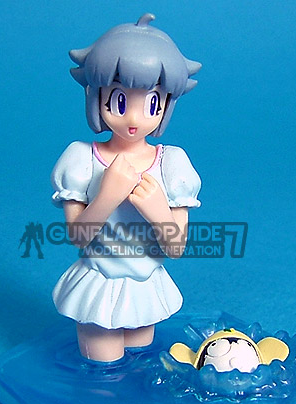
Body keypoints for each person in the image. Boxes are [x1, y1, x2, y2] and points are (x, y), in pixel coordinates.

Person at [51, 13, 202, 362]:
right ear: (96, 96)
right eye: (119, 101)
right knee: (104, 366)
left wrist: (158, 210)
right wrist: (107, 194)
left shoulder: (172, 164)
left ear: (166, 105)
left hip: (145, 285)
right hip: (99, 283)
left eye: (151, 104)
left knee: (138, 359)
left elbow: (176, 247)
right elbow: (78, 237)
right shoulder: (81, 159)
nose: (134, 118)